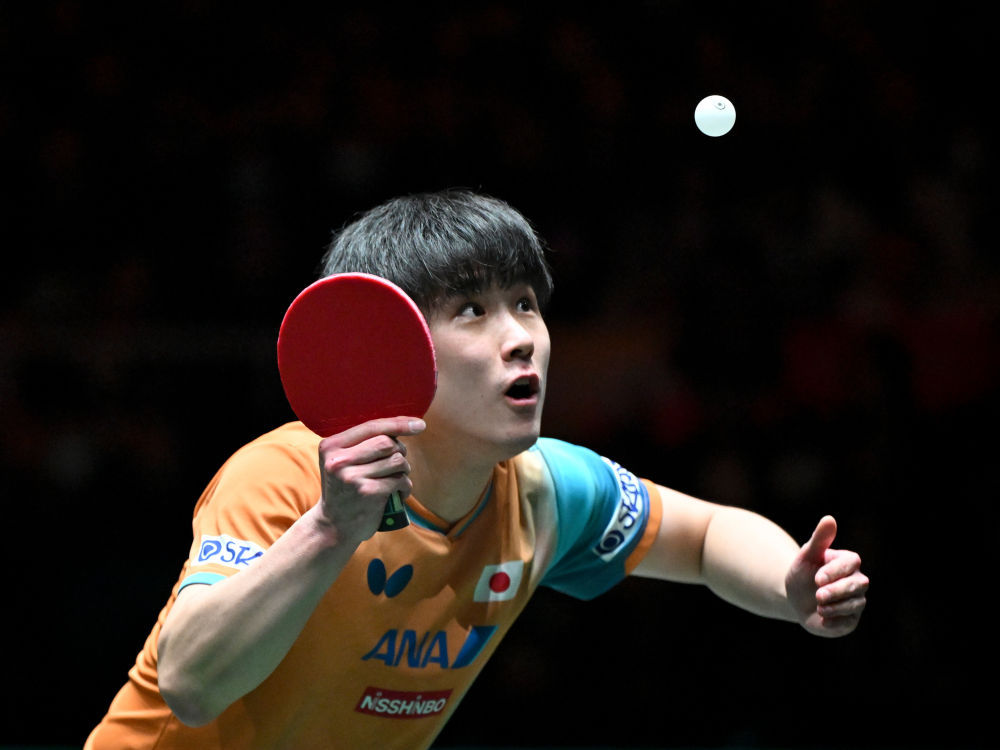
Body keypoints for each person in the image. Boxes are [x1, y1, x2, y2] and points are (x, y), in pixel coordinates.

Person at [85, 190, 868, 750]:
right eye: (472, 311)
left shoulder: (542, 491)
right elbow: (190, 685)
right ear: (393, 345)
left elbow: (703, 538)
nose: (521, 336)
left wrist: (790, 586)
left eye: (525, 303)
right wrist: (327, 531)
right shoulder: (286, 477)